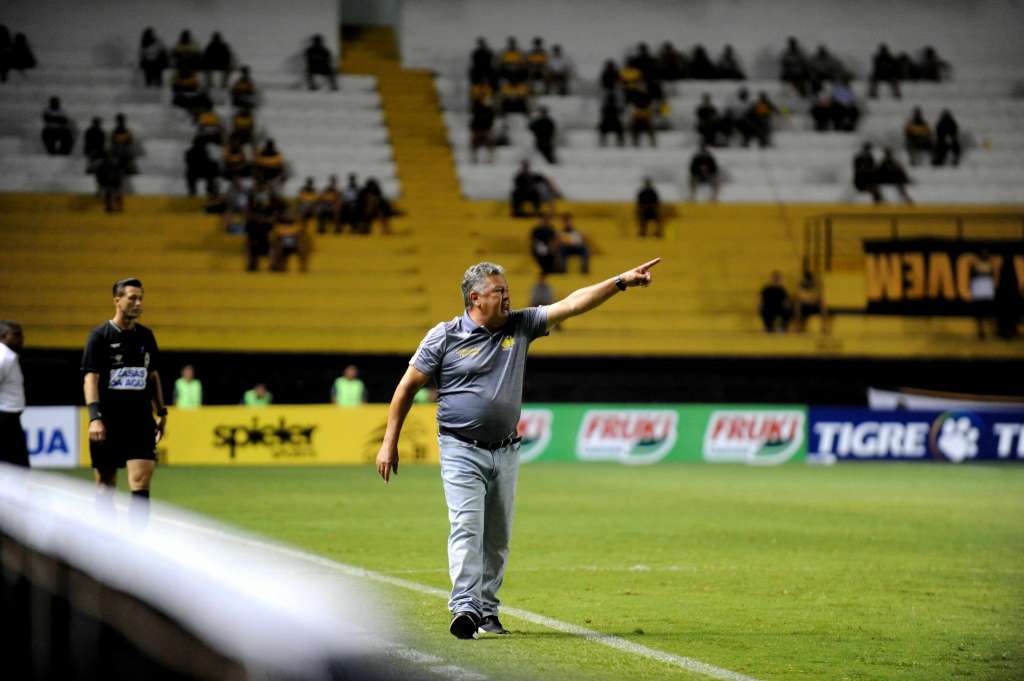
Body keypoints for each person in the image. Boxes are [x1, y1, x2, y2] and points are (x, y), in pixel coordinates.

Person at [374, 257, 662, 639]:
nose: (508, 296)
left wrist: (621, 282)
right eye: (499, 291)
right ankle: (465, 607)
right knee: (466, 526)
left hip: (506, 450)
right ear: (475, 298)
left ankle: (488, 611)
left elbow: (573, 303)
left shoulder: (521, 325)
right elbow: (406, 389)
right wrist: (388, 443)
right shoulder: (443, 337)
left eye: (507, 290)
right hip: (461, 448)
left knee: (497, 536)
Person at [82, 278, 167, 522]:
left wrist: (162, 412)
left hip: (140, 421)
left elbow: (153, 377)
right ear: (117, 300)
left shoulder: (146, 337)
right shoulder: (99, 336)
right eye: (132, 298)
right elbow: (90, 379)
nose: (138, 303)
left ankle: (137, 545)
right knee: (105, 486)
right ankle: (105, 543)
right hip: (108, 421)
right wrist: (95, 418)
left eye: (141, 298)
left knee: (141, 483)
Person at [0, 321, 29, 468]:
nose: (21, 338)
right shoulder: (3, 357)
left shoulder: (9, 356)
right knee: (18, 468)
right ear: (3, 336)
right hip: (4, 419)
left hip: (10, 419)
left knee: (18, 466)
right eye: (16, 335)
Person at [969, 250, 996, 339]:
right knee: (980, 314)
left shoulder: (990, 264)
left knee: (987, 313)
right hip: (979, 292)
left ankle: (990, 330)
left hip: (986, 292)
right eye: (983, 254)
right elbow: (973, 278)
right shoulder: (976, 264)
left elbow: (991, 278)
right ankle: (981, 331)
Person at [793, 268, 823, 332]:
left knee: (822, 303)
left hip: (813, 304)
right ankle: (797, 327)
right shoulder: (801, 284)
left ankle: (823, 326)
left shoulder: (815, 284)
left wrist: (811, 297)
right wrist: (809, 297)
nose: (809, 282)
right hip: (804, 304)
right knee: (797, 304)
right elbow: (800, 295)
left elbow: (817, 295)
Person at [469, 98, 496, 163]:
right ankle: (474, 158)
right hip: (478, 131)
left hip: (486, 130)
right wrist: (474, 131)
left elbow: (491, 122)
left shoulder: (489, 111)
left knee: (491, 142)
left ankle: (490, 158)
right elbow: (473, 122)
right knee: (474, 143)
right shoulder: (477, 110)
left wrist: (488, 130)